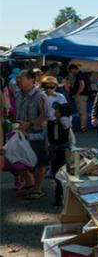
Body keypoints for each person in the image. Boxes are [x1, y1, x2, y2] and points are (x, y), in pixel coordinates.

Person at [15, 69, 48, 199]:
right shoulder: (18, 94)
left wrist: (30, 124)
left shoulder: (40, 96)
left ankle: (37, 188)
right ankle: (29, 183)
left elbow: (45, 116)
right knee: (17, 158)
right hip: (20, 132)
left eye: (21, 78)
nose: (18, 81)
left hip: (36, 133)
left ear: (31, 80)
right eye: (18, 78)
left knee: (38, 162)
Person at [48, 102, 73, 206]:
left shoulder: (64, 120)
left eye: (58, 111)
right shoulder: (52, 122)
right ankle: (60, 195)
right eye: (55, 111)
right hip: (54, 149)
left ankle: (60, 196)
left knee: (61, 173)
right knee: (55, 173)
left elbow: (66, 122)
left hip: (63, 149)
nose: (55, 113)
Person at [65, 64, 90, 132]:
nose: (71, 72)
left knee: (82, 112)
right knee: (82, 112)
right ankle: (83, 127)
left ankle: (83, 127)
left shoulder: (80, 75)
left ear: (73, 69)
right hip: (83, 95)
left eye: (71, 70)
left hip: (81, 96)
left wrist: (77, 93)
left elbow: (82, 85)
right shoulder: (82, 74)